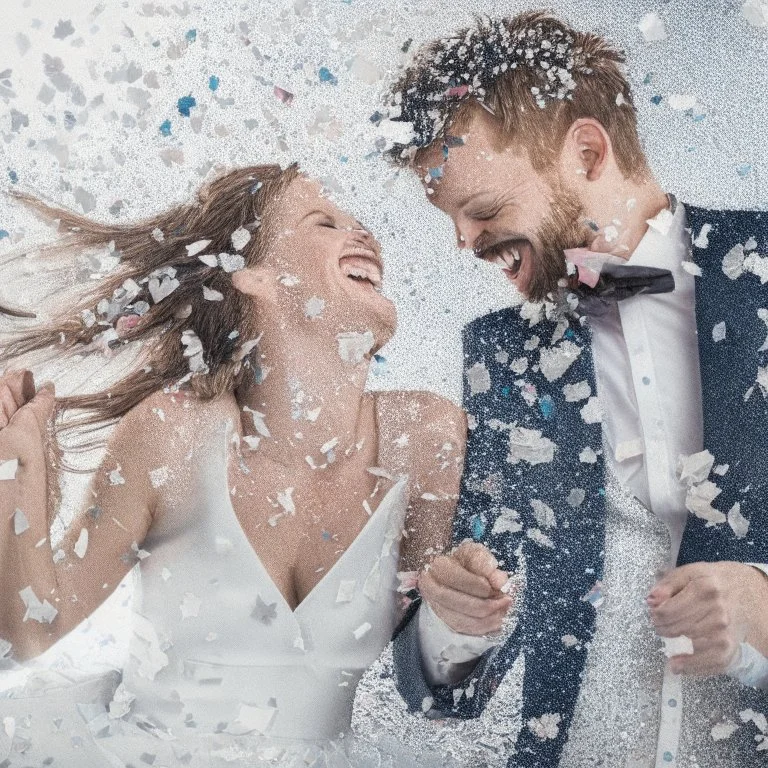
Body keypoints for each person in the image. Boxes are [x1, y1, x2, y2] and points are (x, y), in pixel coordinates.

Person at [0, 164, 512, 767]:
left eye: (360, 224)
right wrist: (15, 474)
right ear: (256, 279)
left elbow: (428, 673)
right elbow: (29, 632)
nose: (366, 236)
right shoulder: (174, 433)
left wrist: (462, 617)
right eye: (325, 222)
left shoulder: (423, 434)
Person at [382, 10, 768, 767]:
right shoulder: (501, 355)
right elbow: (443, 693)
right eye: (450, 220)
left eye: (483, 210)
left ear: (588, 151)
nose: (464, 244)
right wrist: (452, 620)